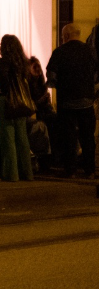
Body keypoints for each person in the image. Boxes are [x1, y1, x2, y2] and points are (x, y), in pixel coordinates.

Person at [46, 23, 96, 178]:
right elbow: (96, 74)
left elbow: (51, 76)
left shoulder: (59, 52)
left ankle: (71, 170)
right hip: (87, 101)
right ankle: (90, 170)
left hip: (66, 102)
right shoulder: (90, 51)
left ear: (66, 36)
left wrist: (56, 85)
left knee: (69, 137)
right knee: (87, 137)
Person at [0, 34, 34, 184]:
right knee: (22, 137)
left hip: (7, 101)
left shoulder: (1, 62)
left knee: (8, 138)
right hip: (21, 103)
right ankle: (27, 173)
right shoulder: (23, 63)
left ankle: (11, 174)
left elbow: (3, 83)